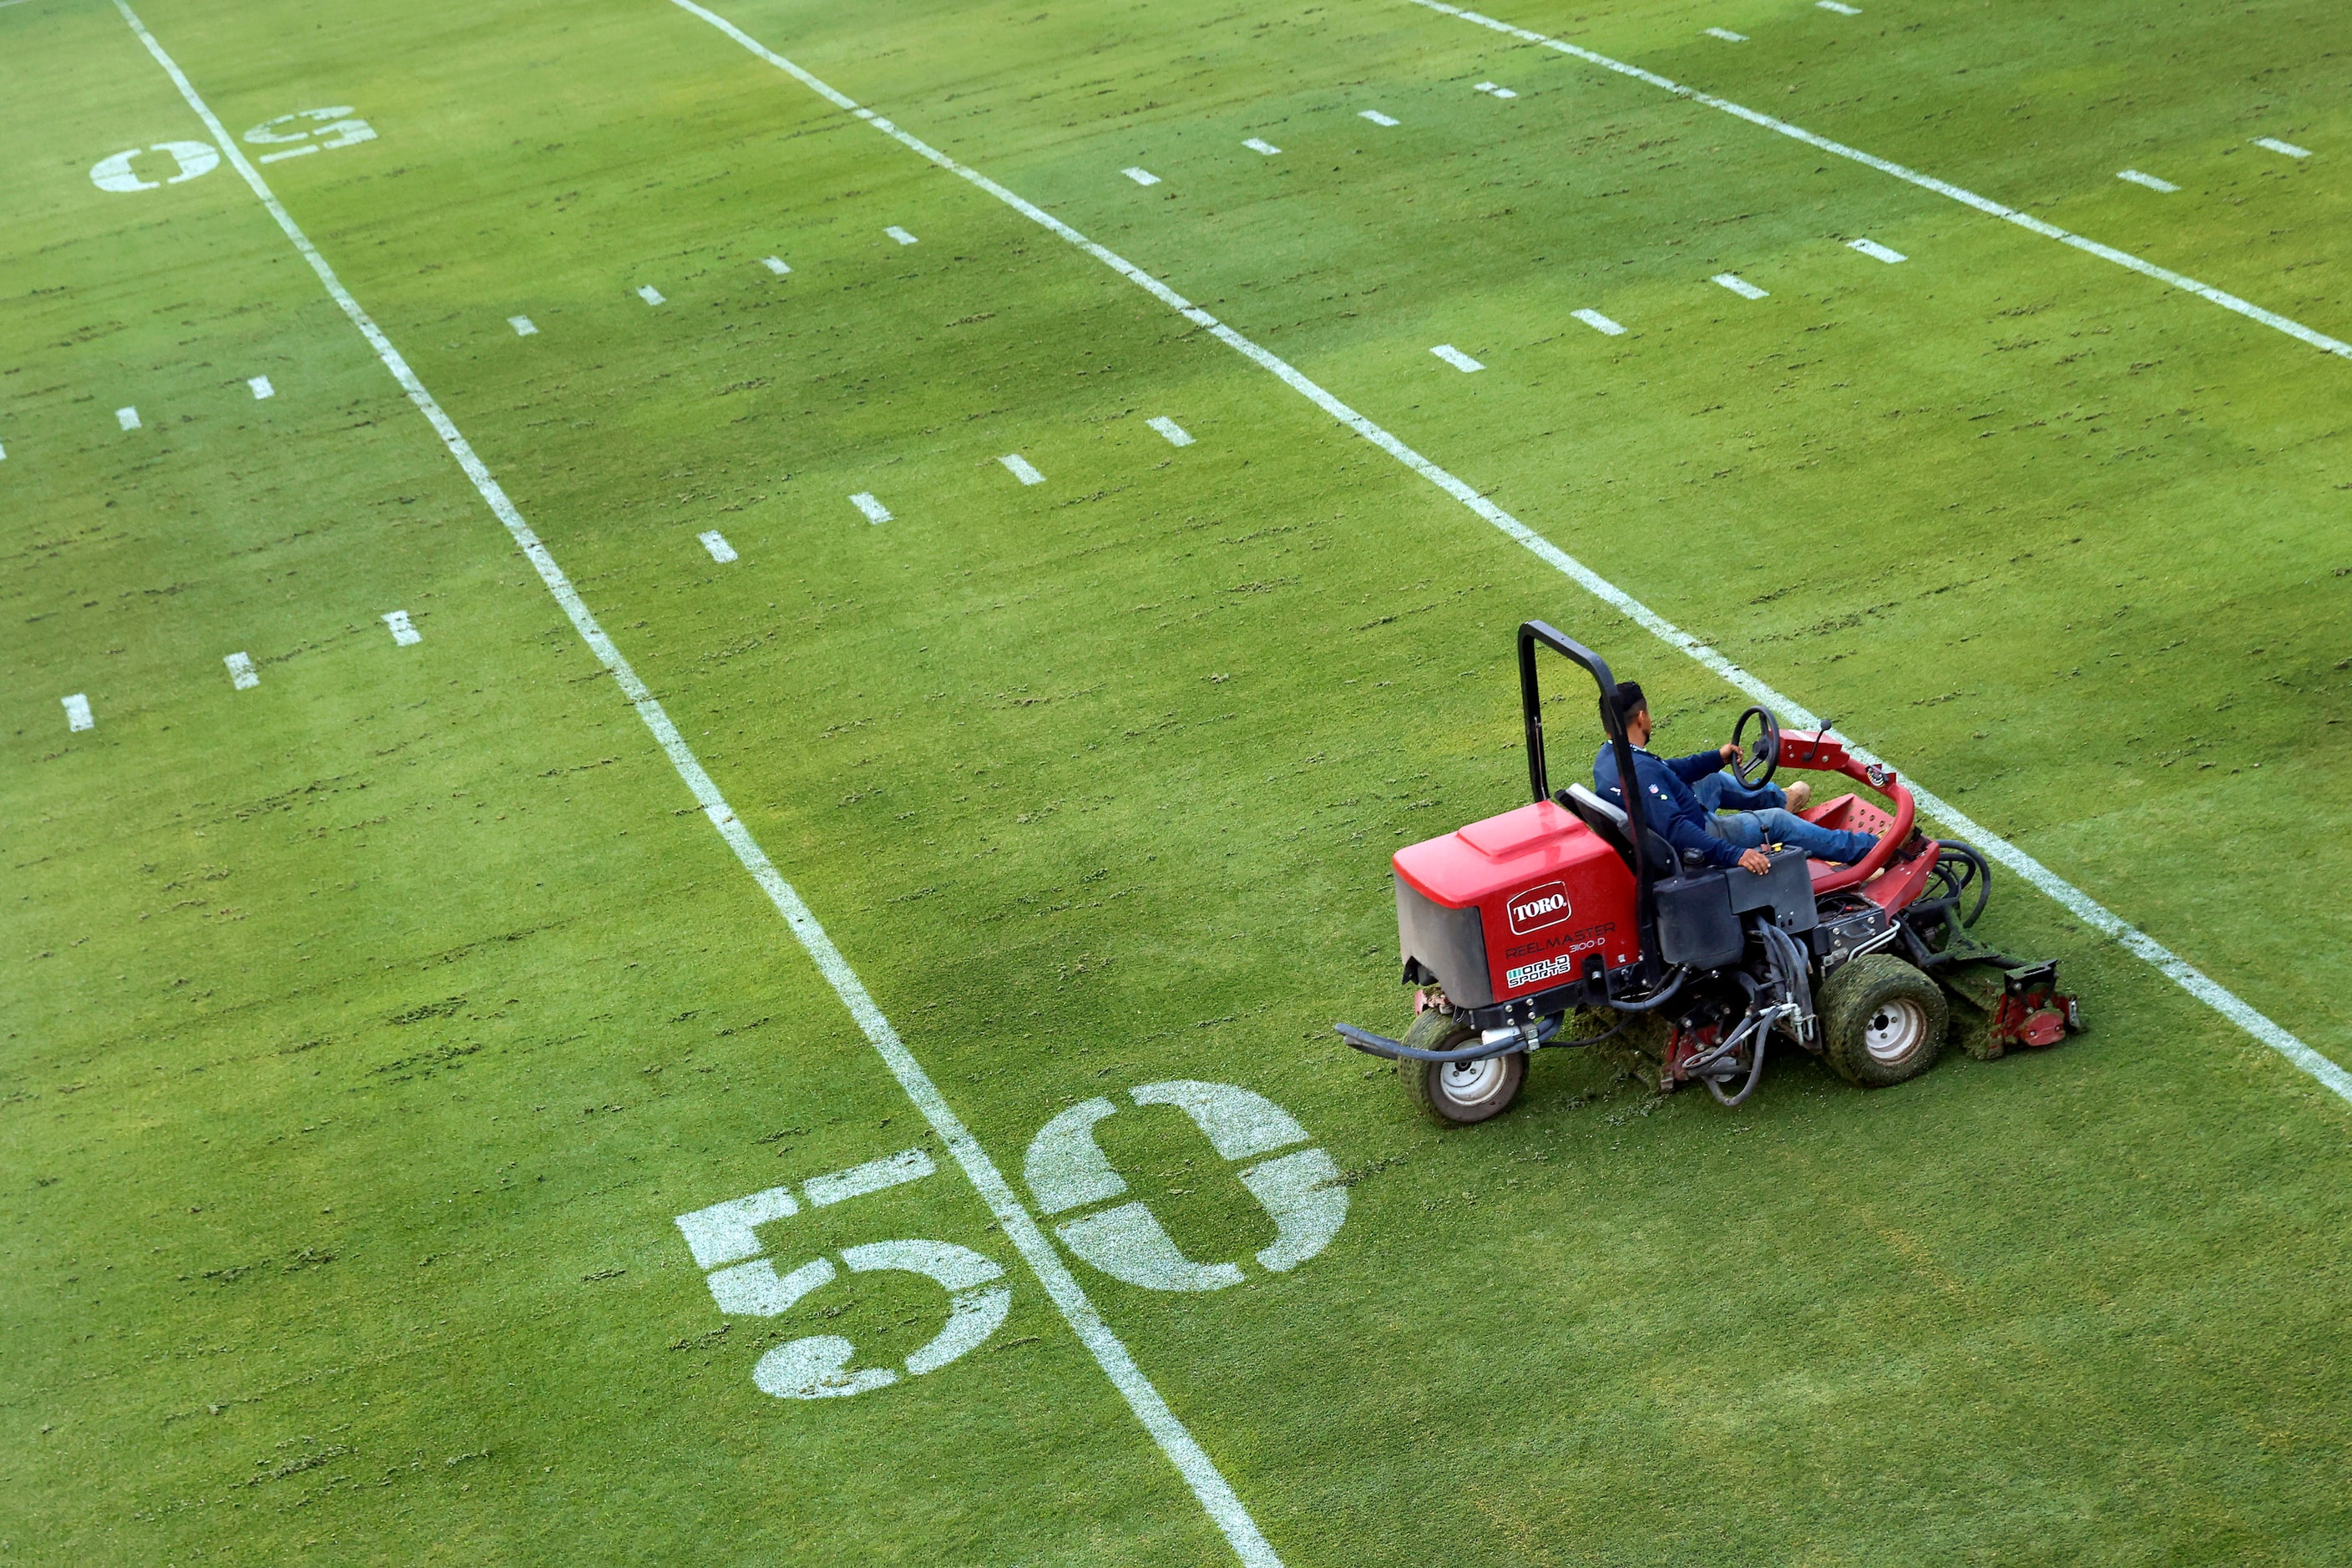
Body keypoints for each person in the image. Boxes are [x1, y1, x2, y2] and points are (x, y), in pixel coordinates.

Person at [1593, 681, 1877, 876]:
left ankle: (1783, 798)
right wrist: (1734, 855)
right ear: (1641, 717)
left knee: (1712, 780)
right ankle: (1869, 849)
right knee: (1777, 820)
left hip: (1662, 823)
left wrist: (1717, 758)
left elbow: (1669, 770)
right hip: (1700, 835)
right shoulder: (1642, 773)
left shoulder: (1609, 759)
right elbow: (1677, 830)